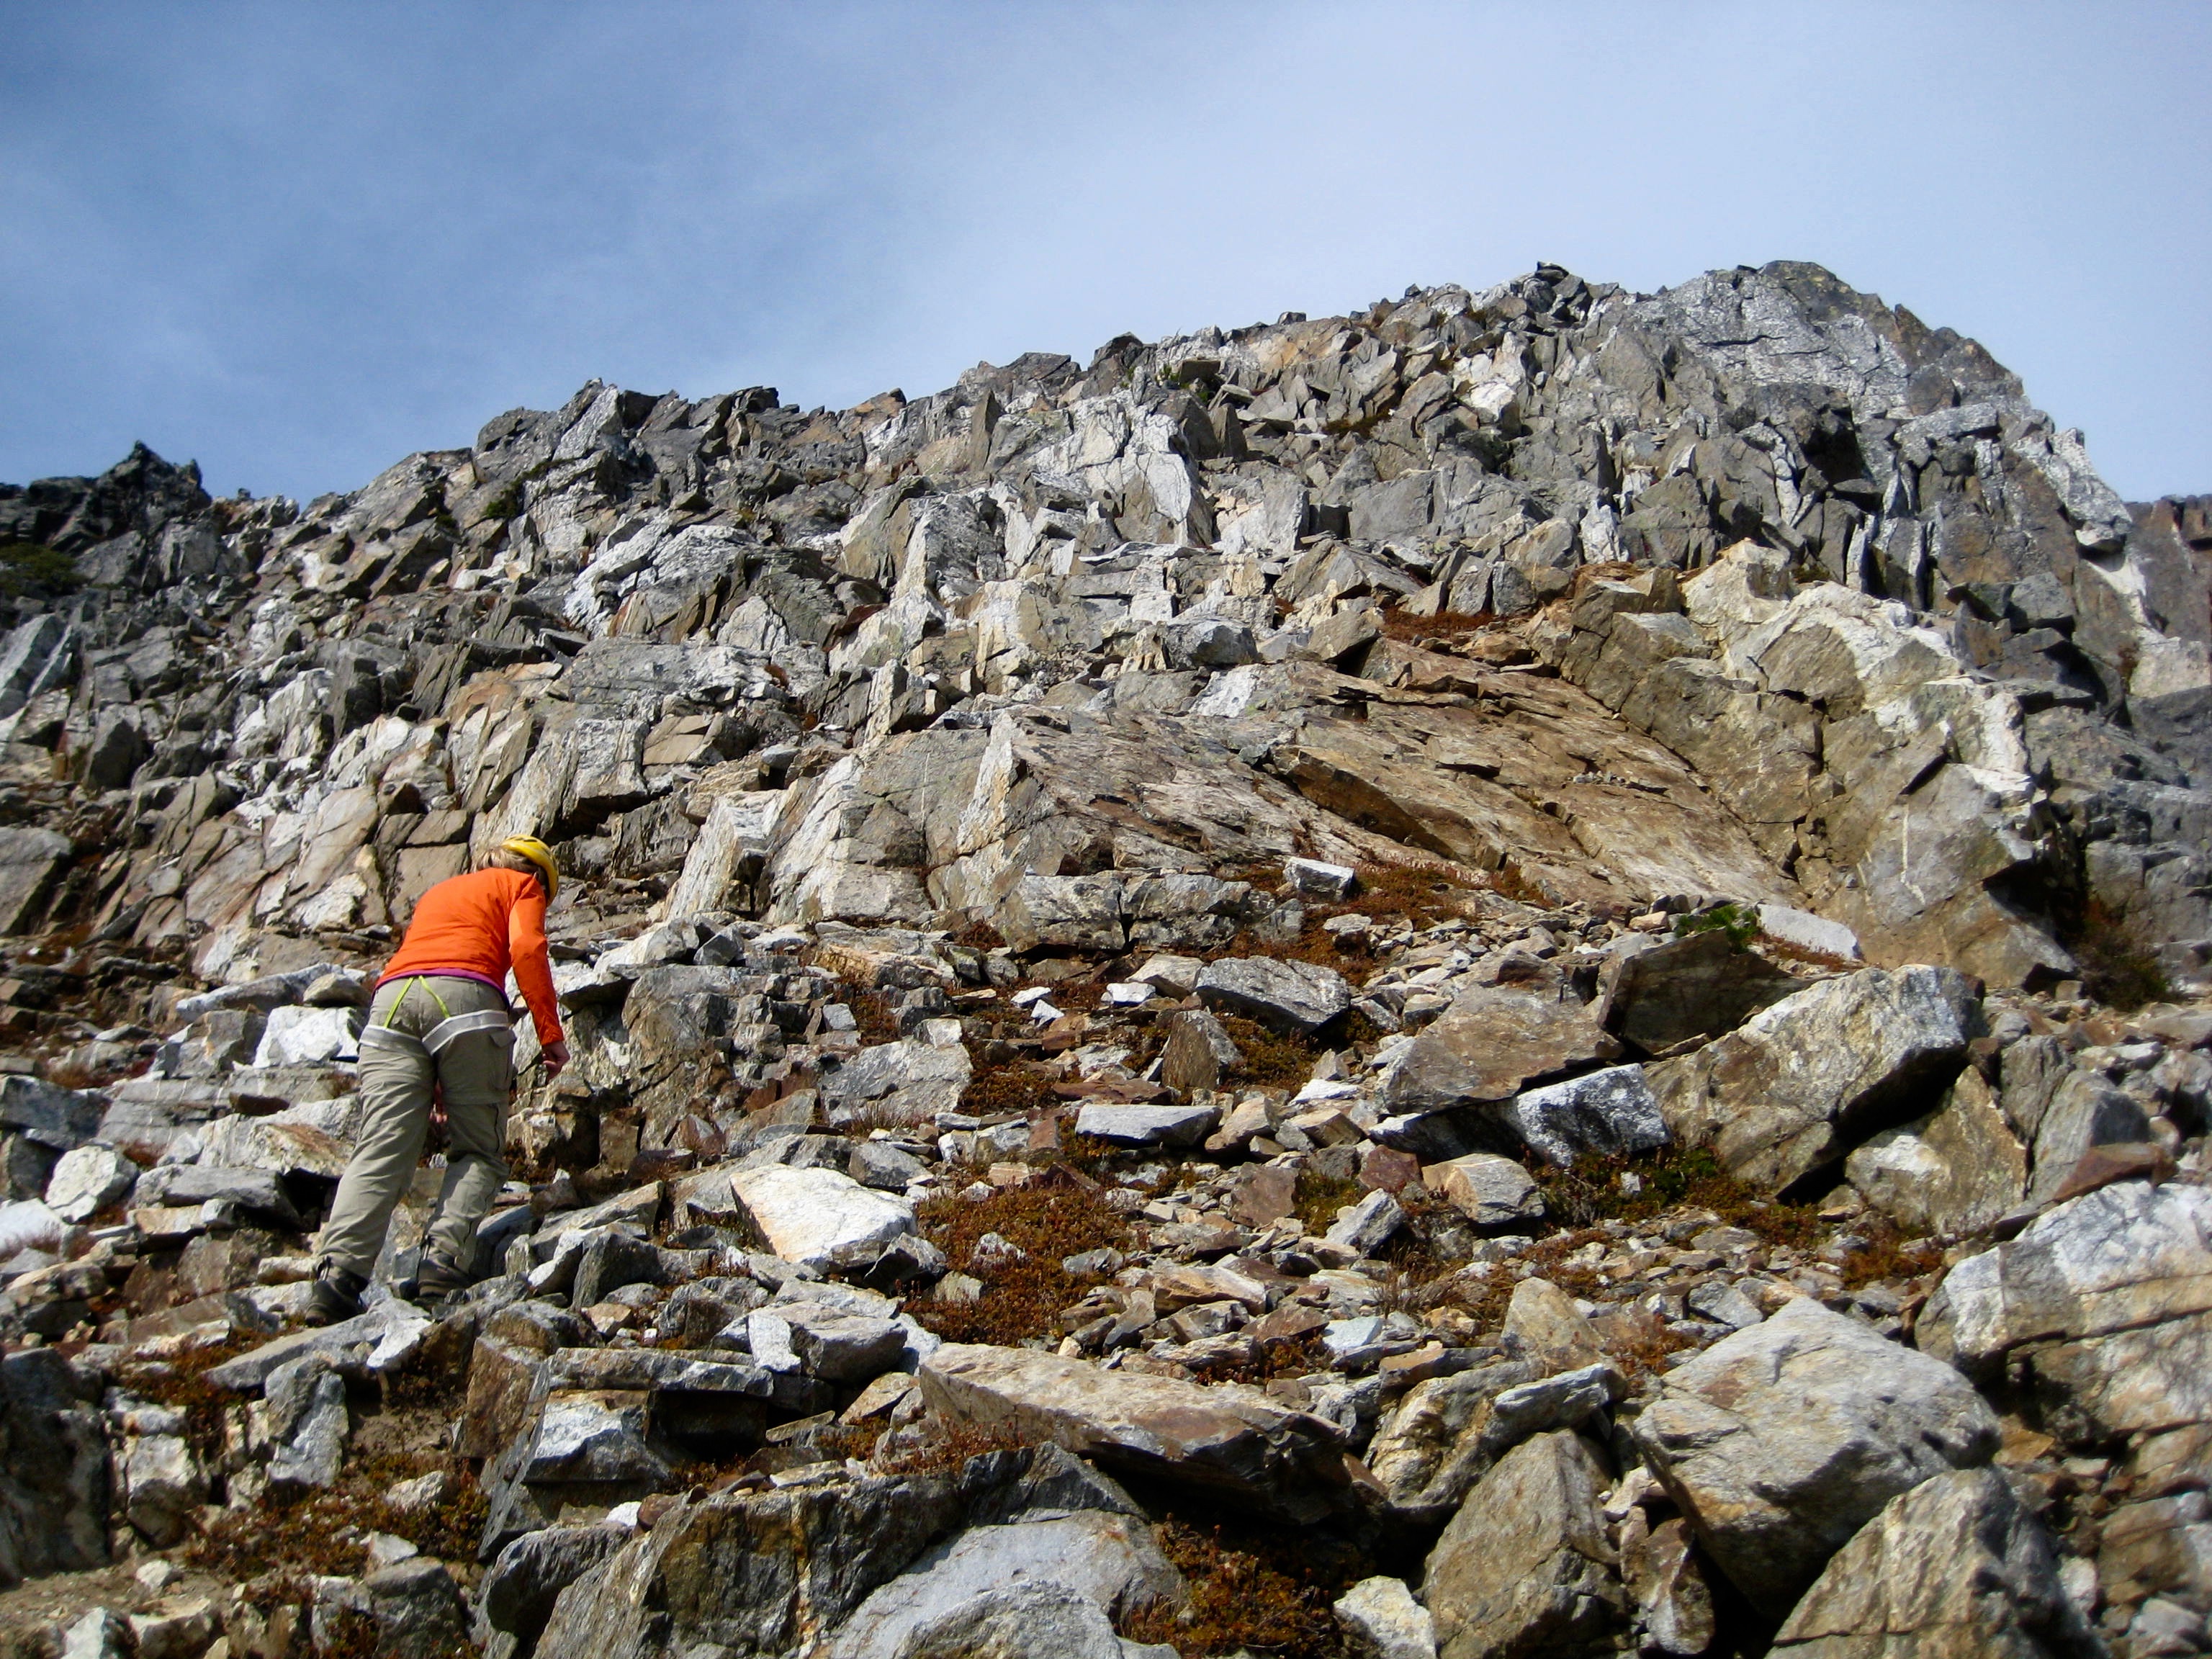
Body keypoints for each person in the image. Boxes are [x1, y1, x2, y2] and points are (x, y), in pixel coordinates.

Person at [305, 836, 571, 1324]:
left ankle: (336, 1279)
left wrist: (437, 1076)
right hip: (467, 1000)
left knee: (381, 1148)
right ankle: (442, 1266)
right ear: (538, 876)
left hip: (389, 1006)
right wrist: (549, 1033)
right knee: (478, 1152)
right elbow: (527, 947)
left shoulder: (441, 891)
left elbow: (424, 973)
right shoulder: (523, 886)